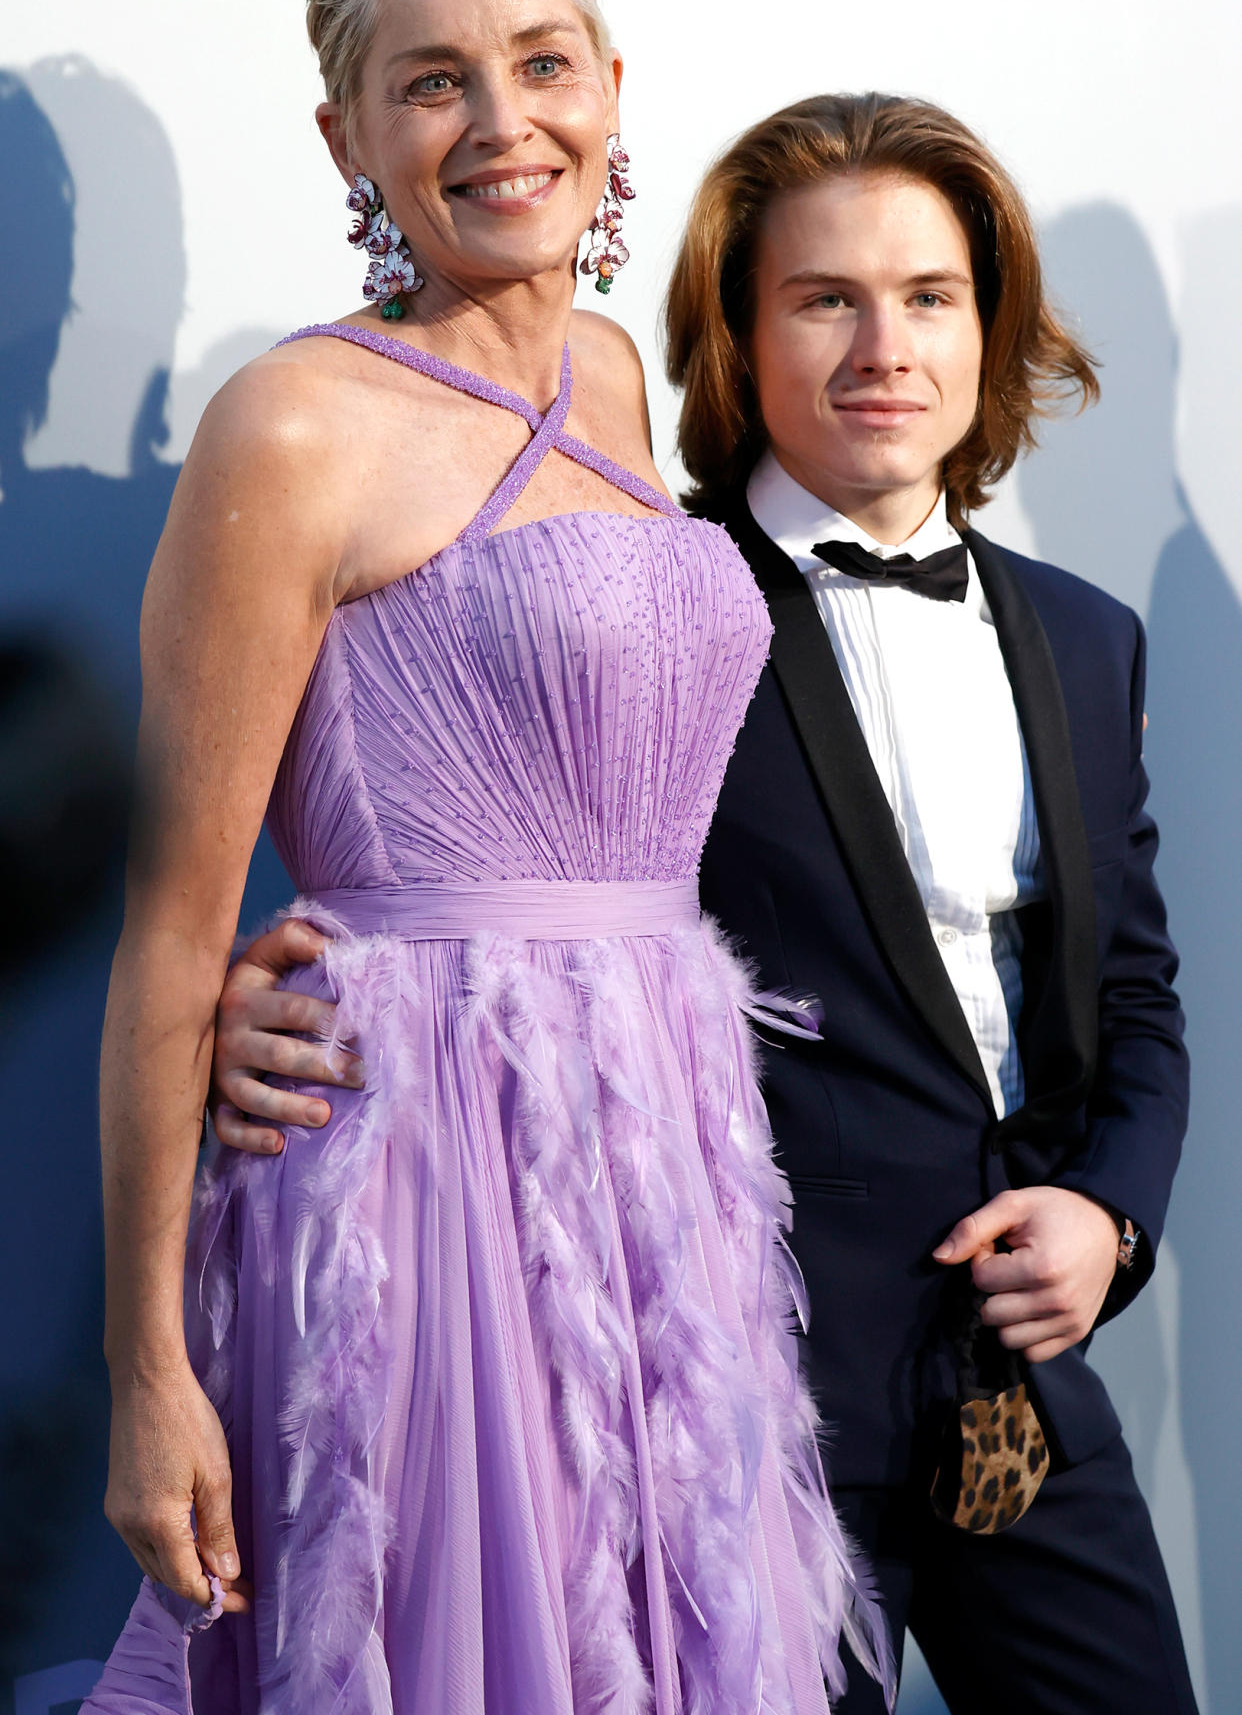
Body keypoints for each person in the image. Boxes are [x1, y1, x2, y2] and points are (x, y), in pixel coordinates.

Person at [217, 93, 1197, 1713]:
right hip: (735, 1403)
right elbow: (488, 872)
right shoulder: (648, 611)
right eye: (824, 298)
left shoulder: (1090, 640)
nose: (883, 346)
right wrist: (283, 991)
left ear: (988, 324)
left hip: (1017, 1382)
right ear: (738, 337)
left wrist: (1112, 1215)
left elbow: (1139, 997)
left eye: (929, 296)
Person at [83, 0, 892, 1715]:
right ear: (343, 132)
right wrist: (148, 1371)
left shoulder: (623, 376)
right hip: (412, 1168)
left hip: (663, 1160)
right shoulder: (289, 428)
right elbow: (168, 935)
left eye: (541, 61)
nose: (499, 120)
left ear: (611, 87)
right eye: (429, 79)